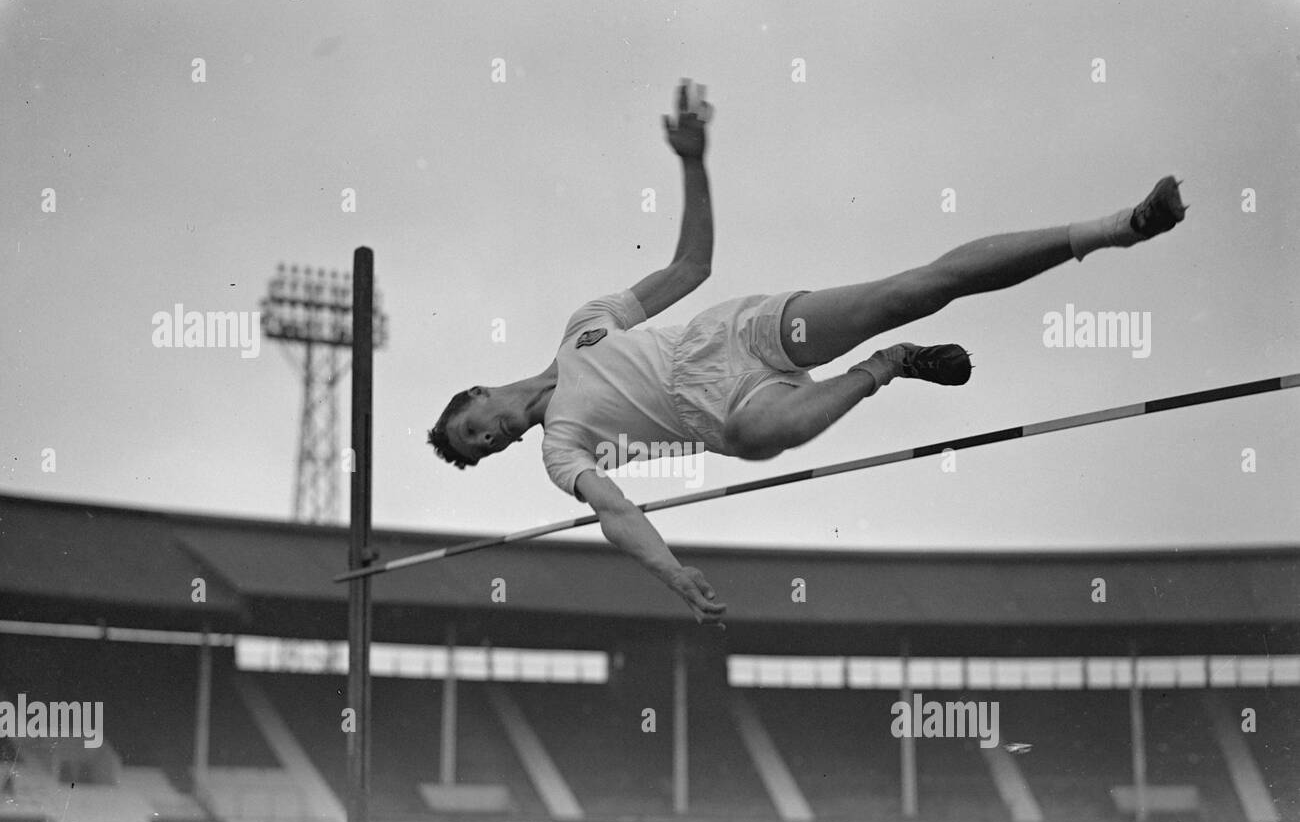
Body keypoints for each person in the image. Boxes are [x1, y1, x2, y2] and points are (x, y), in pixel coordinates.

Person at [428, 80, 1186, 624]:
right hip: (729, 408)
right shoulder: (560, 448)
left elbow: (691, 268)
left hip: (738, 333)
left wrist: (692, 159)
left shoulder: (583, 324)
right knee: (761, 441)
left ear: (475, 394)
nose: (488, 438)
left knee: (913, 288)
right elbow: (614, 509)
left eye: (472, 427)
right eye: (481, 450)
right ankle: (883, 367)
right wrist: (670, 571)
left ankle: (1119, 226)